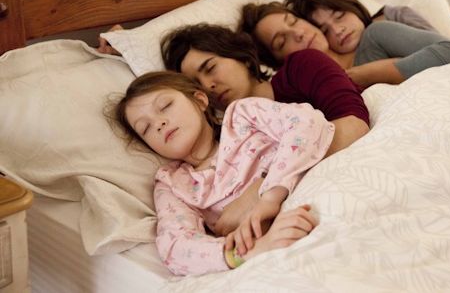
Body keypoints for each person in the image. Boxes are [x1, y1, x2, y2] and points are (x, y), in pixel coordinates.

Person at [111, 71, 333, 276]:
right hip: (269, 239)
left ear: (200, 100)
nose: (158, 123)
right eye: (146, 128)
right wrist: (243, 253)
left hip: (316, 193)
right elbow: (175, 246)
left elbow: (307, 122)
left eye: (166, 105)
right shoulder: (173, 184)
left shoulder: (242, 116)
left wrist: (270, 196)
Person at [160, 23, 370, 236]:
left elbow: (355, 125)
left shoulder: (302, 65)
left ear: (241, 56)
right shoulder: (228, 143)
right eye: (196, 84)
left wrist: (259, 189)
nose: (208, 85)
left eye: (210, 68)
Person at [241, 0, 450, 89]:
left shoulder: (376, 34)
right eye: (282, 41)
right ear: (281, 61)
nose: (299, 34)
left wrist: (363, 74)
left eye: (293, 22)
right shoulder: (305, 87)